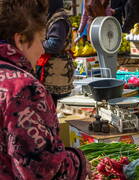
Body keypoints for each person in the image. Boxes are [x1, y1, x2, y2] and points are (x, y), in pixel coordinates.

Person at [0, 0, 87, 179]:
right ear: (21, 40)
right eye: (41, 40)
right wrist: (79, 162)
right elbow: (44, 169)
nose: (42, 49)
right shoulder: (23, 90)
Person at [37, 0, 74, 106]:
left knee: (56, 107)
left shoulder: (58, 20)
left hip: (58, 73)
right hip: (53, 72)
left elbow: (55, 44)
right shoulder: (52, 17)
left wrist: (36, 43)